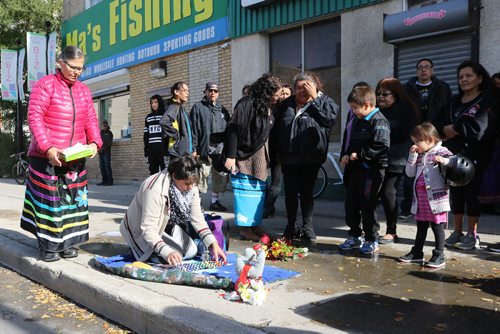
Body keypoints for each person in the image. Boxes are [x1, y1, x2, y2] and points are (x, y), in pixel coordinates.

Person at [20, 46, 102, 262]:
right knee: (52, 204)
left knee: (73, 202)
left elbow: (91, 120)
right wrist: (47, 147)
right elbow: (35, 118)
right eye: (73, 67)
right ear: (61, 62)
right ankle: (49, 246)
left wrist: (95, 142)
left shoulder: (84, 91)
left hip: (73, 157)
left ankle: (68, 243)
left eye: (81, 68)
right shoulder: (45, 85)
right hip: (47, 156)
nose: (76, 72)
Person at [435, 60, 499, 250]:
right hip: (453, 155)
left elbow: (480, 128)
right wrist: (444, 128)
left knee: (472, 195)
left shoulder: (488, 100)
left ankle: (472, 234)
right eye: (461, 76)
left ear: (479, 78)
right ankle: (457, 232)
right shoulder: (453, 101)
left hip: (477, 155)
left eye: (469, 75)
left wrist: (453, 128)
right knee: (456, 193)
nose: (464, 79)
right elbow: (438, 123)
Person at [119, 155, 226, 265]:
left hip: (164, 225)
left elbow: (197, 218)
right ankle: (141, 251)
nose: (191, 188)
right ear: (174, 176)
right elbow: (148, 228)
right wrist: (166, 252)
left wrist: (213, 244)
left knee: (191, 251)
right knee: (174, 257)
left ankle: (158, 251)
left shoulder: (191, 183)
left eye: (192, 184)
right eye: (187, 184)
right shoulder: (154, 190)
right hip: (139, 230)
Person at [275, 72, 338, 242]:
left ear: (315, 87)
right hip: (288, 158)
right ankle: (291, 226)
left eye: (306, 87)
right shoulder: (286, 104)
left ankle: (307, 226)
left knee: (306, 194)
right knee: (290, 194)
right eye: (298, 88)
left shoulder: (325, 102)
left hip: (311, 158)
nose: (302, 91)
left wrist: (315, 98)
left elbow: (329, 119)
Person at [224, 74, 282, 241]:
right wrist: (231, 155)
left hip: (260, 156)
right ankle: (245, 228)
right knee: (245, 193)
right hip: (244, 156)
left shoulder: (267, 106)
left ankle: (254, 225)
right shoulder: (246, 103)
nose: (277, 98)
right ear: (267, 91)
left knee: (258, 193)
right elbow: (233, 130)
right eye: (275, 94)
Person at [338, 85, 390, 254]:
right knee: (351, 203)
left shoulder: (379, 121)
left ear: (367, 104)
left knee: (368, 204)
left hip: (372, 171)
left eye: (355, 107)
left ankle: (371, 238)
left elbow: (381, 146)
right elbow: (352, 143)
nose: (353, 111)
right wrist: (347, 154)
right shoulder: (359, 120)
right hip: (356, 170)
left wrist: (359, 155)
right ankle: (354, 235)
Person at [398, 123, 456, 268]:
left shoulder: (442, 151)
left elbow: (454, 162)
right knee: (421, 226)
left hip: (436, 198)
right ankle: (417, 252)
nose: (416, 144)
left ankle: (439, 254)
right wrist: (412, 155)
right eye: (414, 142)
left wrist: (444, 161)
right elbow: (409, 173)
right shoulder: (419, 154)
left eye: (418, 141)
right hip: (421, 198)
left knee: (437, 227)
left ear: (429, 140)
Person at [400, 58, 452, 219]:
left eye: (427, 67)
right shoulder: (407, 88)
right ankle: (408, 207)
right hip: (414, 134)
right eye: (420, 68)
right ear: (416, 71)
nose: (424, 70)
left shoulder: (443, 87)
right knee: (412, 169)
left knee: (437, 169)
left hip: (433, 135)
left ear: (432, 70)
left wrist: (444, 130)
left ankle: (438, 206)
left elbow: (448, 110)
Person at [376, 78, 417, 245]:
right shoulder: (375, 110)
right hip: (375, 157)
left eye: (385, 94)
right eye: (378, 93)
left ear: (396, 94)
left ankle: (391, 231)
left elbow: (407, 136)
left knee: (388, 193)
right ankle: (371, 229)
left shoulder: (406, 110)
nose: (380, 97)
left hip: (396, 157)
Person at [190, 82, 230, 211]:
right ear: (205, 92)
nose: (212, 93)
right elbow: (193, 129)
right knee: (201, 176)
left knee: (219, 177)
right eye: (210, 90)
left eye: (215, 91)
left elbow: (228, 130)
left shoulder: (222, 109)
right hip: (204, 148)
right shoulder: (198, 107)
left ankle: (215, 201)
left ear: (218, 93)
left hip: (219, 150)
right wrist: (194, 148)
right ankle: (197, 203)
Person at [263, 83, 293, 219]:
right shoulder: (274, 109)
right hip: (276, 152)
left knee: (289, 184)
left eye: (287, 93)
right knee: (275, 182)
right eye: (282, 93)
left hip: (291, 152)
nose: (284, 96)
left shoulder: (293, 109)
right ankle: (268, 208)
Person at [160, 81, 193, 159]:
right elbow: (164, 122)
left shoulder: (181, 108)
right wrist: (177, 135)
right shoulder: (174, 106)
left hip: (184, 153)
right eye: (185, 90)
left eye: (188, 91)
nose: (187, 93)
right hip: (177, 154)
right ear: (176, 92)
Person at [144, 94, 166, 175]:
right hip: (151, 150)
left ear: (160, 102)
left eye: (156, 102)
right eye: (152, 103)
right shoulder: (148, 118)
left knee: (165, 173)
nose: (153, 104)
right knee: (153, 174)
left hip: (163, 150)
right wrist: (146, 150)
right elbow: (146, 135)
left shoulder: (165, 115)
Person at [98, 120, 113, 186]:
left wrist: (102, 149)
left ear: (107, 126)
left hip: (106, 153)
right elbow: (98, 141)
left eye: (105, 126)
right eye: (103, 126)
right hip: (100, 153)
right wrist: (98, 149)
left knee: (107, 166)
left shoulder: (109, 133)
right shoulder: (100, 133)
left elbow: (108, 143)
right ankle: (104, 181)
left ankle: (110, 181)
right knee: (102, 167)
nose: (104, 127)